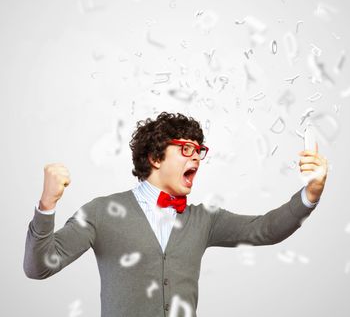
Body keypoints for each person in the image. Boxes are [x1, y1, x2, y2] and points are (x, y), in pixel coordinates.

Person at [23, 111, 328, 317]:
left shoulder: (205, 219)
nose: (196, 155)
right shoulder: (101, 212)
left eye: (199, 150)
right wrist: (46, 205)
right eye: (185, 149)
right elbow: (38, 268)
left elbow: (265, 229)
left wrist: (310, 195)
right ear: (155, 157)